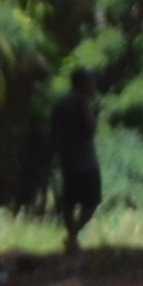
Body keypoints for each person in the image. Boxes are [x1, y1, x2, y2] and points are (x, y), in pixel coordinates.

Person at [51, 77, 103, 254]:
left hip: (66, 159)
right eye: (91, 83)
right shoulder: (81, 103)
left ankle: (71, 237)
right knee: (92, 200)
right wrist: (95, 115)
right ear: (83, 84)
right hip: (85, 160)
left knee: (70, 201)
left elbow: (52, 130)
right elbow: (90, 129)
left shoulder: (60, 103)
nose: (93, 87)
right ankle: (72, 236)